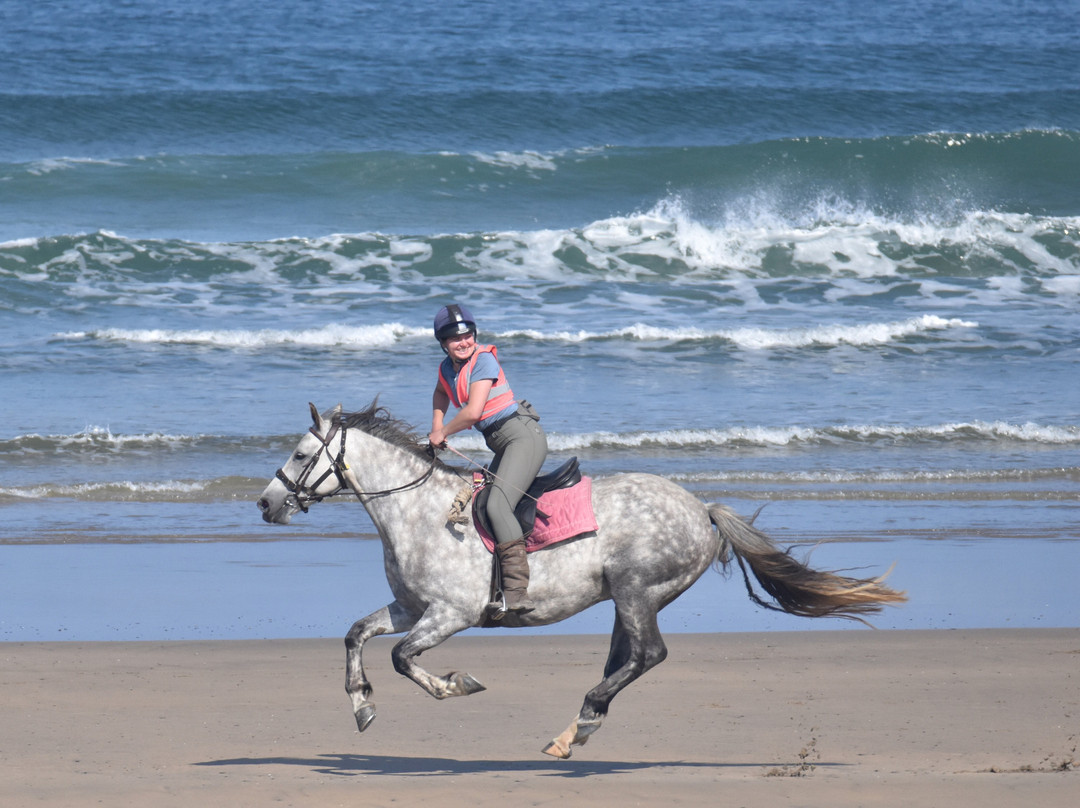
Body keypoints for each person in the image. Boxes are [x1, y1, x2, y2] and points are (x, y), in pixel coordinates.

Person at [428, 303, 548, 613]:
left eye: (468, 335)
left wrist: (443, 434)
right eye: (455, 339)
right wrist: (436, 425)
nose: (463, 342)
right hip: (502, 444)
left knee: (497, 504)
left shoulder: (483, 362)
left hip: (522, 438)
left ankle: (517, 591)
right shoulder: (447, 368)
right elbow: (440, 394)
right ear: (443, 343)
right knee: (479, 501)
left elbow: (472, 413)